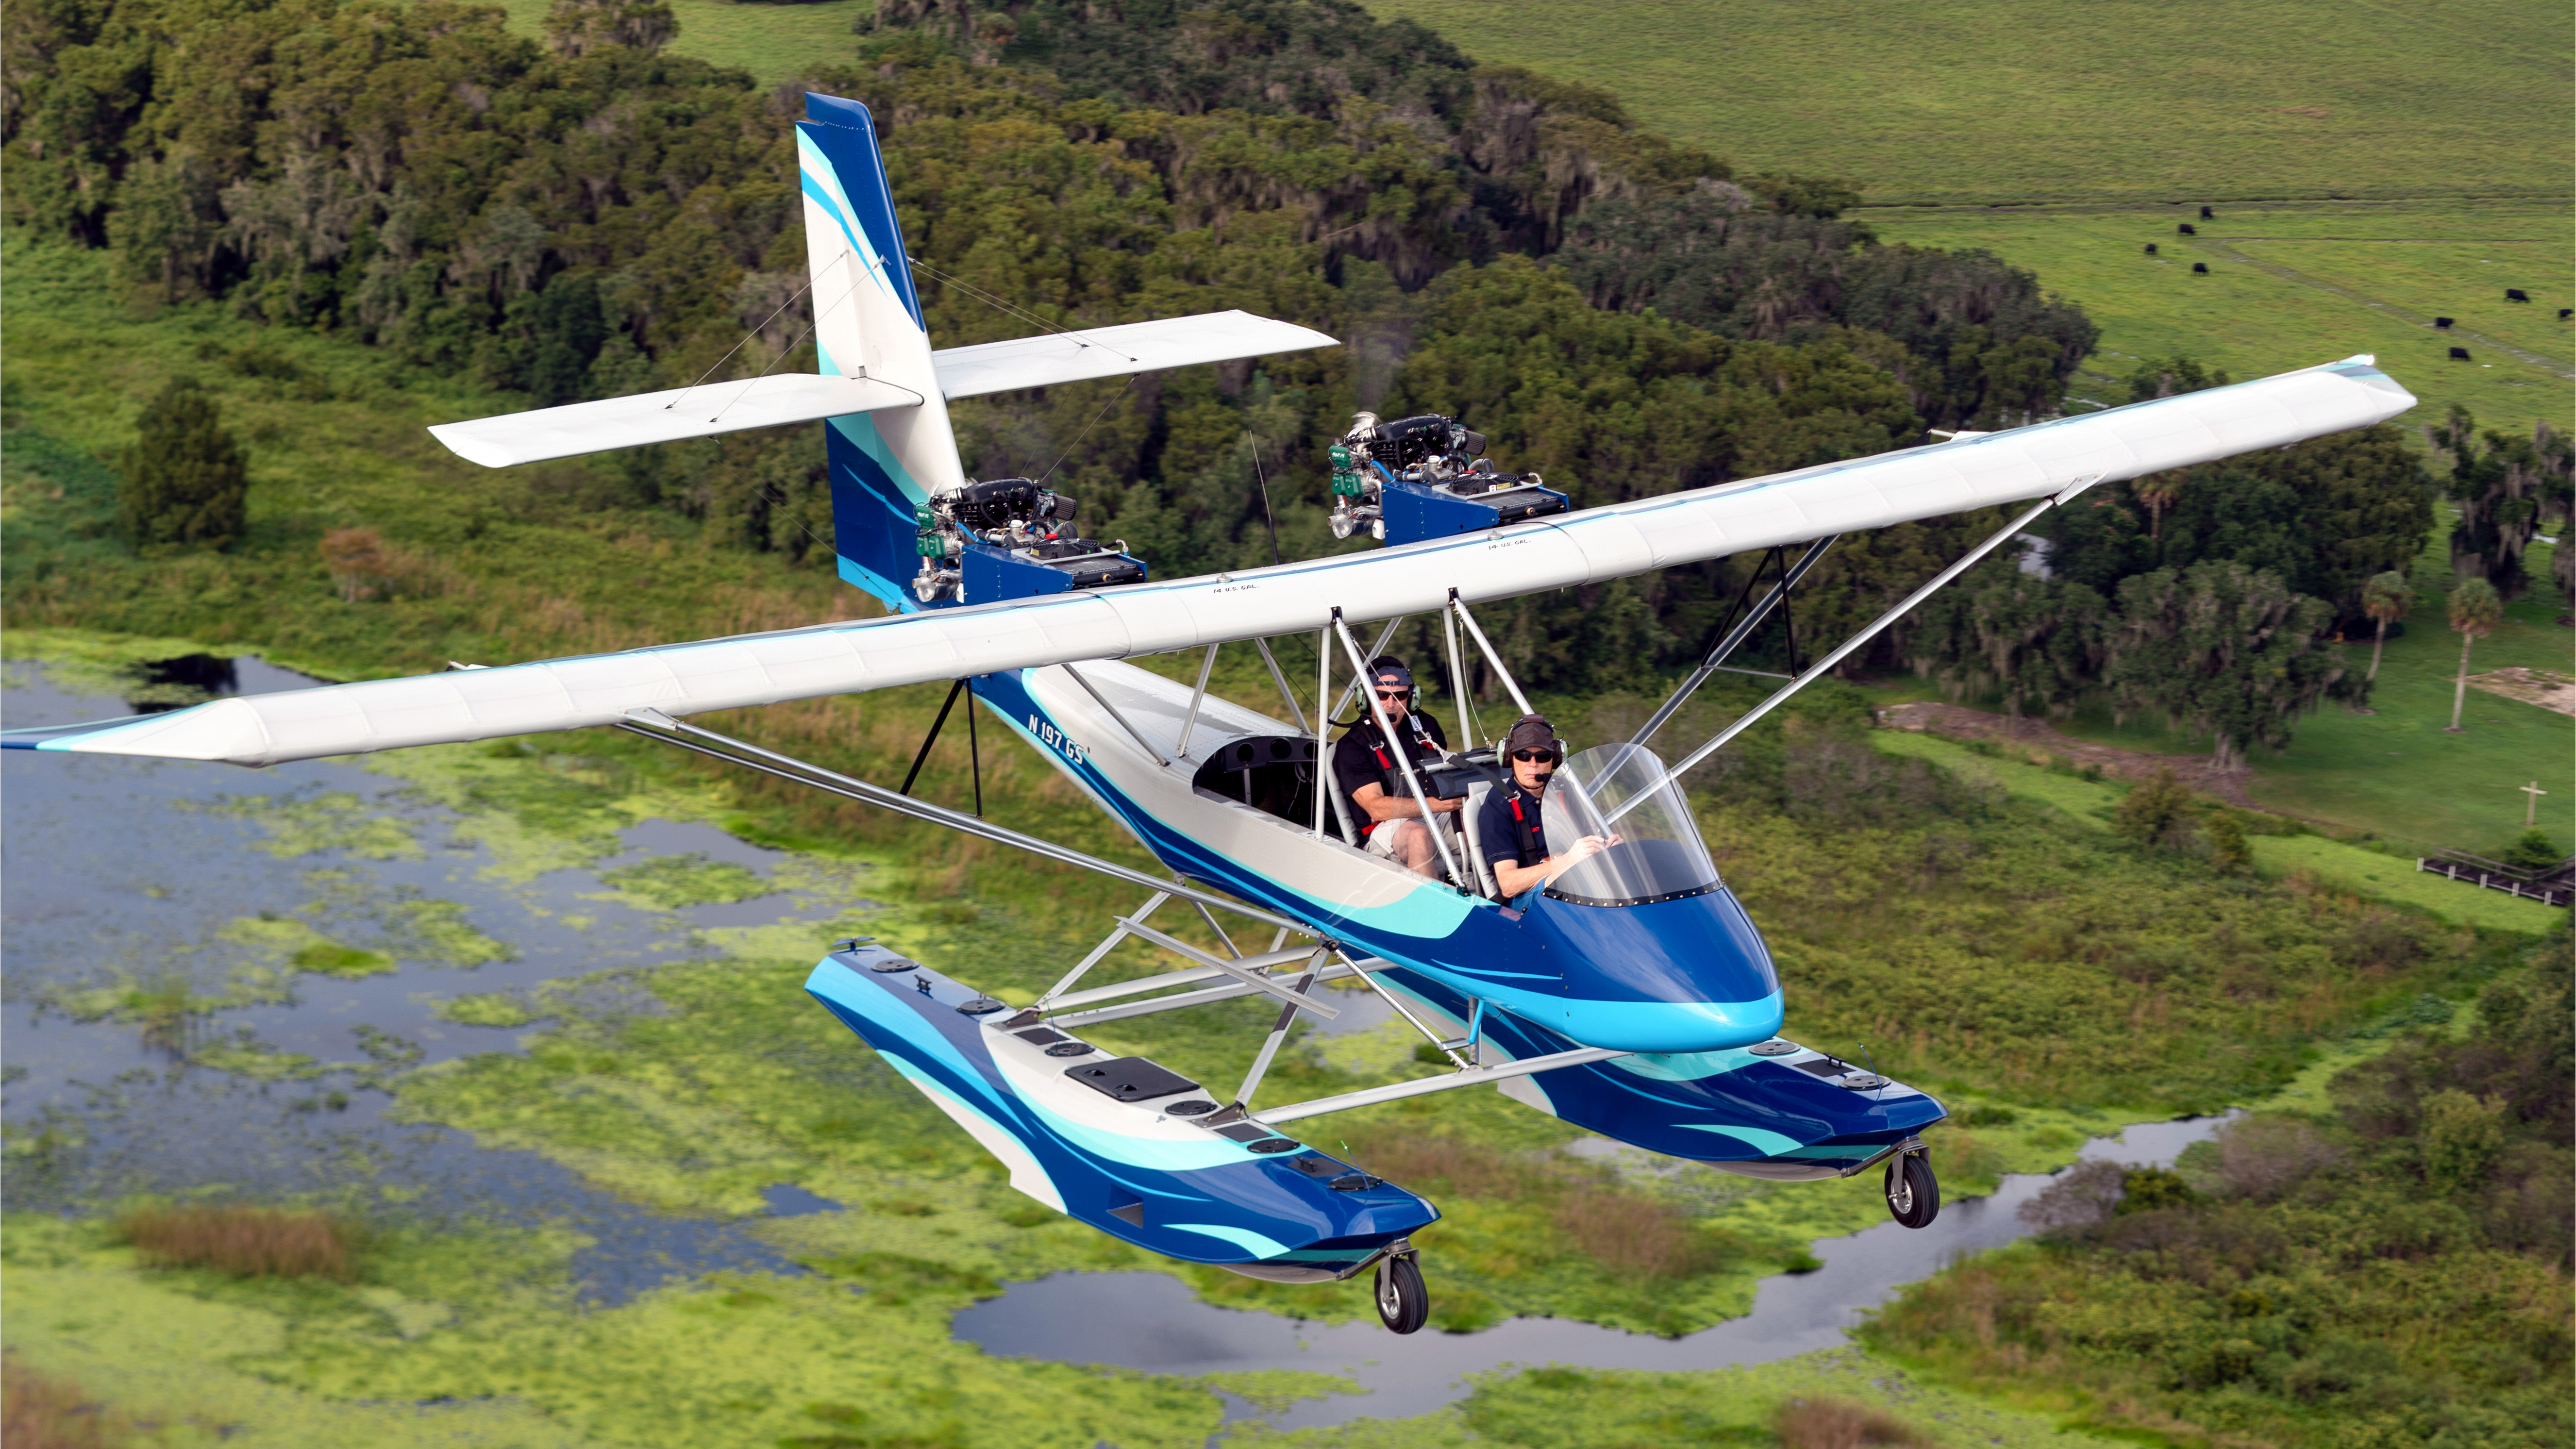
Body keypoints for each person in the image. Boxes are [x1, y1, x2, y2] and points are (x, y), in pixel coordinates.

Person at [1332, 657, 1463, 879]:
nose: (1390, 704)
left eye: (1399, 696)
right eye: (1381, 696)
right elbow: (1376, 808)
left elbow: (1444, 775)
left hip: (1432, 812)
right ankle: (1427, 908)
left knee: (1479, 819)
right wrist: (1433, 805)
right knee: (1419, 836)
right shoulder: (1352, 746)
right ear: (1365, 698)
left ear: (1412, 698)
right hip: (1384, 828)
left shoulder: (1425, 726)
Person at [1476, 714, 1609, 898]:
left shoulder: (1564, 790)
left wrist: (1607, 847)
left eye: (1542, 756)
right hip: (1529, 900)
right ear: (1509, 758)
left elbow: (1587, 840)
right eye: (1523, 755)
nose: (1533, 764)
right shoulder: (1497, 805)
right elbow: (1508, 884)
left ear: (1555, 759)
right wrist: (1568, 860)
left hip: (1576, 884)